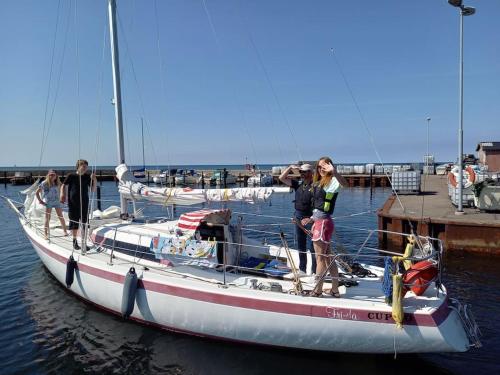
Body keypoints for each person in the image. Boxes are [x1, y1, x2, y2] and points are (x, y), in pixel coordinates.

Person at [301, 157, 348, 297]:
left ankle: (317, 290)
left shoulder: (332, 182)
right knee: (328, 257)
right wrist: (311, 219)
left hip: (323, 224)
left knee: (320, 258)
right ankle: (334, 289)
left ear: (330, 167)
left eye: (325, 166)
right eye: (319, 167)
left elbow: (345, 184)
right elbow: (319, 209)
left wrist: (334, 172)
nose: (322, 169)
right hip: (321, 222)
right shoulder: (318, 183)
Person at [279, 163, 316, 274]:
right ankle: (302, 269)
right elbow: (281, 178)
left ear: (310, 173)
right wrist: (290, 167)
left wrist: (313, 219)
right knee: (301, 245)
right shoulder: (297, 184)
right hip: (298, 217)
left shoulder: (315, 186)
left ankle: (314, 271)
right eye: (301, 172)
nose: (302, 174)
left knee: (313, 247)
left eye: (304, 172)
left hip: (310, 218)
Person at [60, 159, 97, 250]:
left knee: (84, 223)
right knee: (74, 223)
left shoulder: (87, 177)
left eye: (86, 167)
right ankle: (75, 241)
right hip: (73, 203)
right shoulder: (71, 176)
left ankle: (84, 242)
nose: (85, 168)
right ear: (79, 166)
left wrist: (94, 179)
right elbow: (63, 185)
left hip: (84, 202)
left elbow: (93, 190)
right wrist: (62, 194)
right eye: (83, 166)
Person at [35, 170, 68, 239]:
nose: (52, 176)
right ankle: (45, 234)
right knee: (47, 218)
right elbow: (37, 192)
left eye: (54, 175)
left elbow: (63, 187)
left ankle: (65, 231)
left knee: (61, 217)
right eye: (51, 174)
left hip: (57, 201)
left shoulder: (57, 182)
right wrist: (40, 200)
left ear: (56, 176)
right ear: (48, 175)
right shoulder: (44, 183)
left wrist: (64, 196)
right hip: (49, 202)